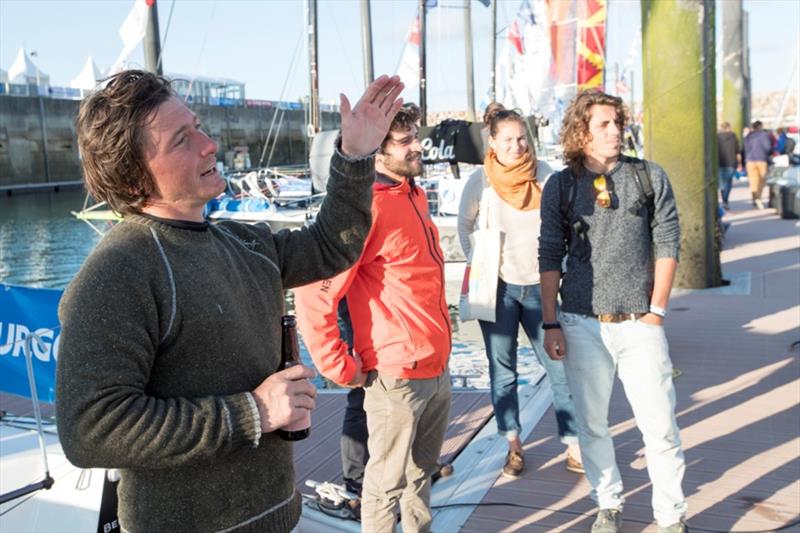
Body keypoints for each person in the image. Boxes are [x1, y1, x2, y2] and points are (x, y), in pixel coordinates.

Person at [55, 69, 405, 533]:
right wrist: (254, 412)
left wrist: (357, 155)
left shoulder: (244, 244)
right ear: (135, 177)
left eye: (197, 125)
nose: (208, 143)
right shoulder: (119, 270)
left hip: (277, 517)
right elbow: (90, 428)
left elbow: (330, 246)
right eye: (181, 140)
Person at [294, 103, 451, 533]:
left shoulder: (412, 193)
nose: (418, 145)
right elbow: (313, 292)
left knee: (423, 473)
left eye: (415, 135)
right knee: (385, 484)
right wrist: (339, 366)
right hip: (396, 375)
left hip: (436, 369)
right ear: (378, 155)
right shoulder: (370, 209)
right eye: (405, 142)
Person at [538, 90, 688, 533]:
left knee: (659, 425)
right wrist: (551, 321)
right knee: (592, 425)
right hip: (582, 322)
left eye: (617, 123)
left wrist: (656, 310)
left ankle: (671, 516)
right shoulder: (561, 186)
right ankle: (608, 504)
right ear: (580, 132)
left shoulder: (648, 176)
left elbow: (668, 242)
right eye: (603, 124)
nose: (615, 131)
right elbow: (549, 254)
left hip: (640, 322)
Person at [457, 104, 583, 479]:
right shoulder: (480, 180)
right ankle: (512, 443)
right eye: (508, 140)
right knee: (503, 370)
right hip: (498, 289)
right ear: (492, 142)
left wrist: (561, 268)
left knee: (558, 367)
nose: (517, 146)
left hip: (541, 287)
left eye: (522, 138)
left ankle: (573, 442)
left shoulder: (546, 175)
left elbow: (567, 224)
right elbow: (464, 227)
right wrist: (479, 263)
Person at [743, 120, 773, 209]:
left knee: (753, 180)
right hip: (761, 159)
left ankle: (754, 197)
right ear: (760, 126)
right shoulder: (764, 135)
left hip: (750, 160)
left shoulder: (748, 136)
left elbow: (745, 148)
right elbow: (767, 147)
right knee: (761, 180)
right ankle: (758, 197)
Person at [717, 122, 742, 210]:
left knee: (722, 183)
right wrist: (740, 163)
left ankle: (723, 199)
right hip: (731, 162)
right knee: (728, 183)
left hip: (719, 162)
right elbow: (737, 151)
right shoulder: (733, 137)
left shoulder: (717, 137)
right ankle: (725, 200)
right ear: (729, 127)